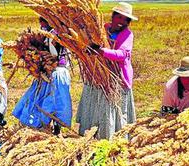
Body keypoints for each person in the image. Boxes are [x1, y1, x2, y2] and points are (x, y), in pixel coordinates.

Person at [76, 2, 137, 139]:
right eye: (119, 17)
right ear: (113, 16)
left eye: (126, 19)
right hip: (98, 76)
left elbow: (123, 55)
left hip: (117, 79)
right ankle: (91, 135)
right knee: (97, 105)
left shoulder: (127, 34)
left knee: (113, 109)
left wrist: (102, 52)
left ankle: (113, 138)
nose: (122, 21)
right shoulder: (103, 28)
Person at [12, 17, 72, 135]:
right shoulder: (47, 32)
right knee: (46, 99)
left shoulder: (55, 34)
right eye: (41, 21)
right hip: (47, 73)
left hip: (56, 72)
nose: (41, 24)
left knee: (54, 101)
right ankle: (44, 127)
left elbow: (54, 54)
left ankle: (54, 127)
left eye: (44, 21)